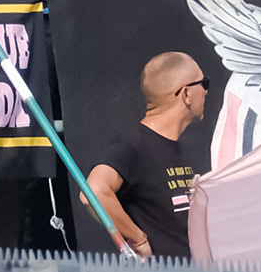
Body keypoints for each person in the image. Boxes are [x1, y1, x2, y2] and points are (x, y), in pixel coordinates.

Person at [85, 51, 210, 258]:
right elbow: (93, 191)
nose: (206, 92)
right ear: (186, 94)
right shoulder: (134, 144)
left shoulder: (171, 146)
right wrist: (138, 238)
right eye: (203, 84)